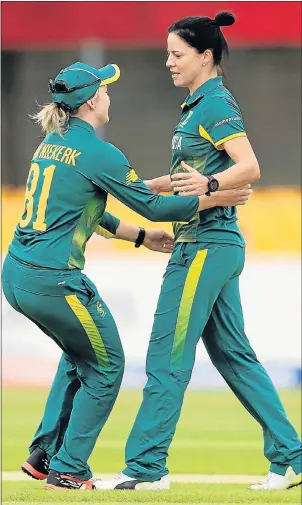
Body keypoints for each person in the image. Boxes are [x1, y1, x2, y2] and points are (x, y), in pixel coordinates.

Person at [2, 60, 251, 491]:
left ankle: (45, 454)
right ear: (93, 100)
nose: (110, 95)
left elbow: (86, 212)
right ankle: (67, 470)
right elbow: (153, 205)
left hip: (18, 275)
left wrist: (140, 238)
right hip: (54, 281)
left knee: (80, 354)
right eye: (106, 89)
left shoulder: (53, 143)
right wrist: (216, 197)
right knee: (107, 365)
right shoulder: (100, 152)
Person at [95, 12, 302, 492]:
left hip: (204, 245)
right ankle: (291, 457)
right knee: (233, 356)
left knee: (167, 354)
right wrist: (148, 188)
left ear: (205, 56)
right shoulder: (196, 107)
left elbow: (248, 166)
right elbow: (194, 176)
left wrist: (212, 183)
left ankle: (146, 470)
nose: (167, 62)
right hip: (214, 245)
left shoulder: (213, 105)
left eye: (176, 54)